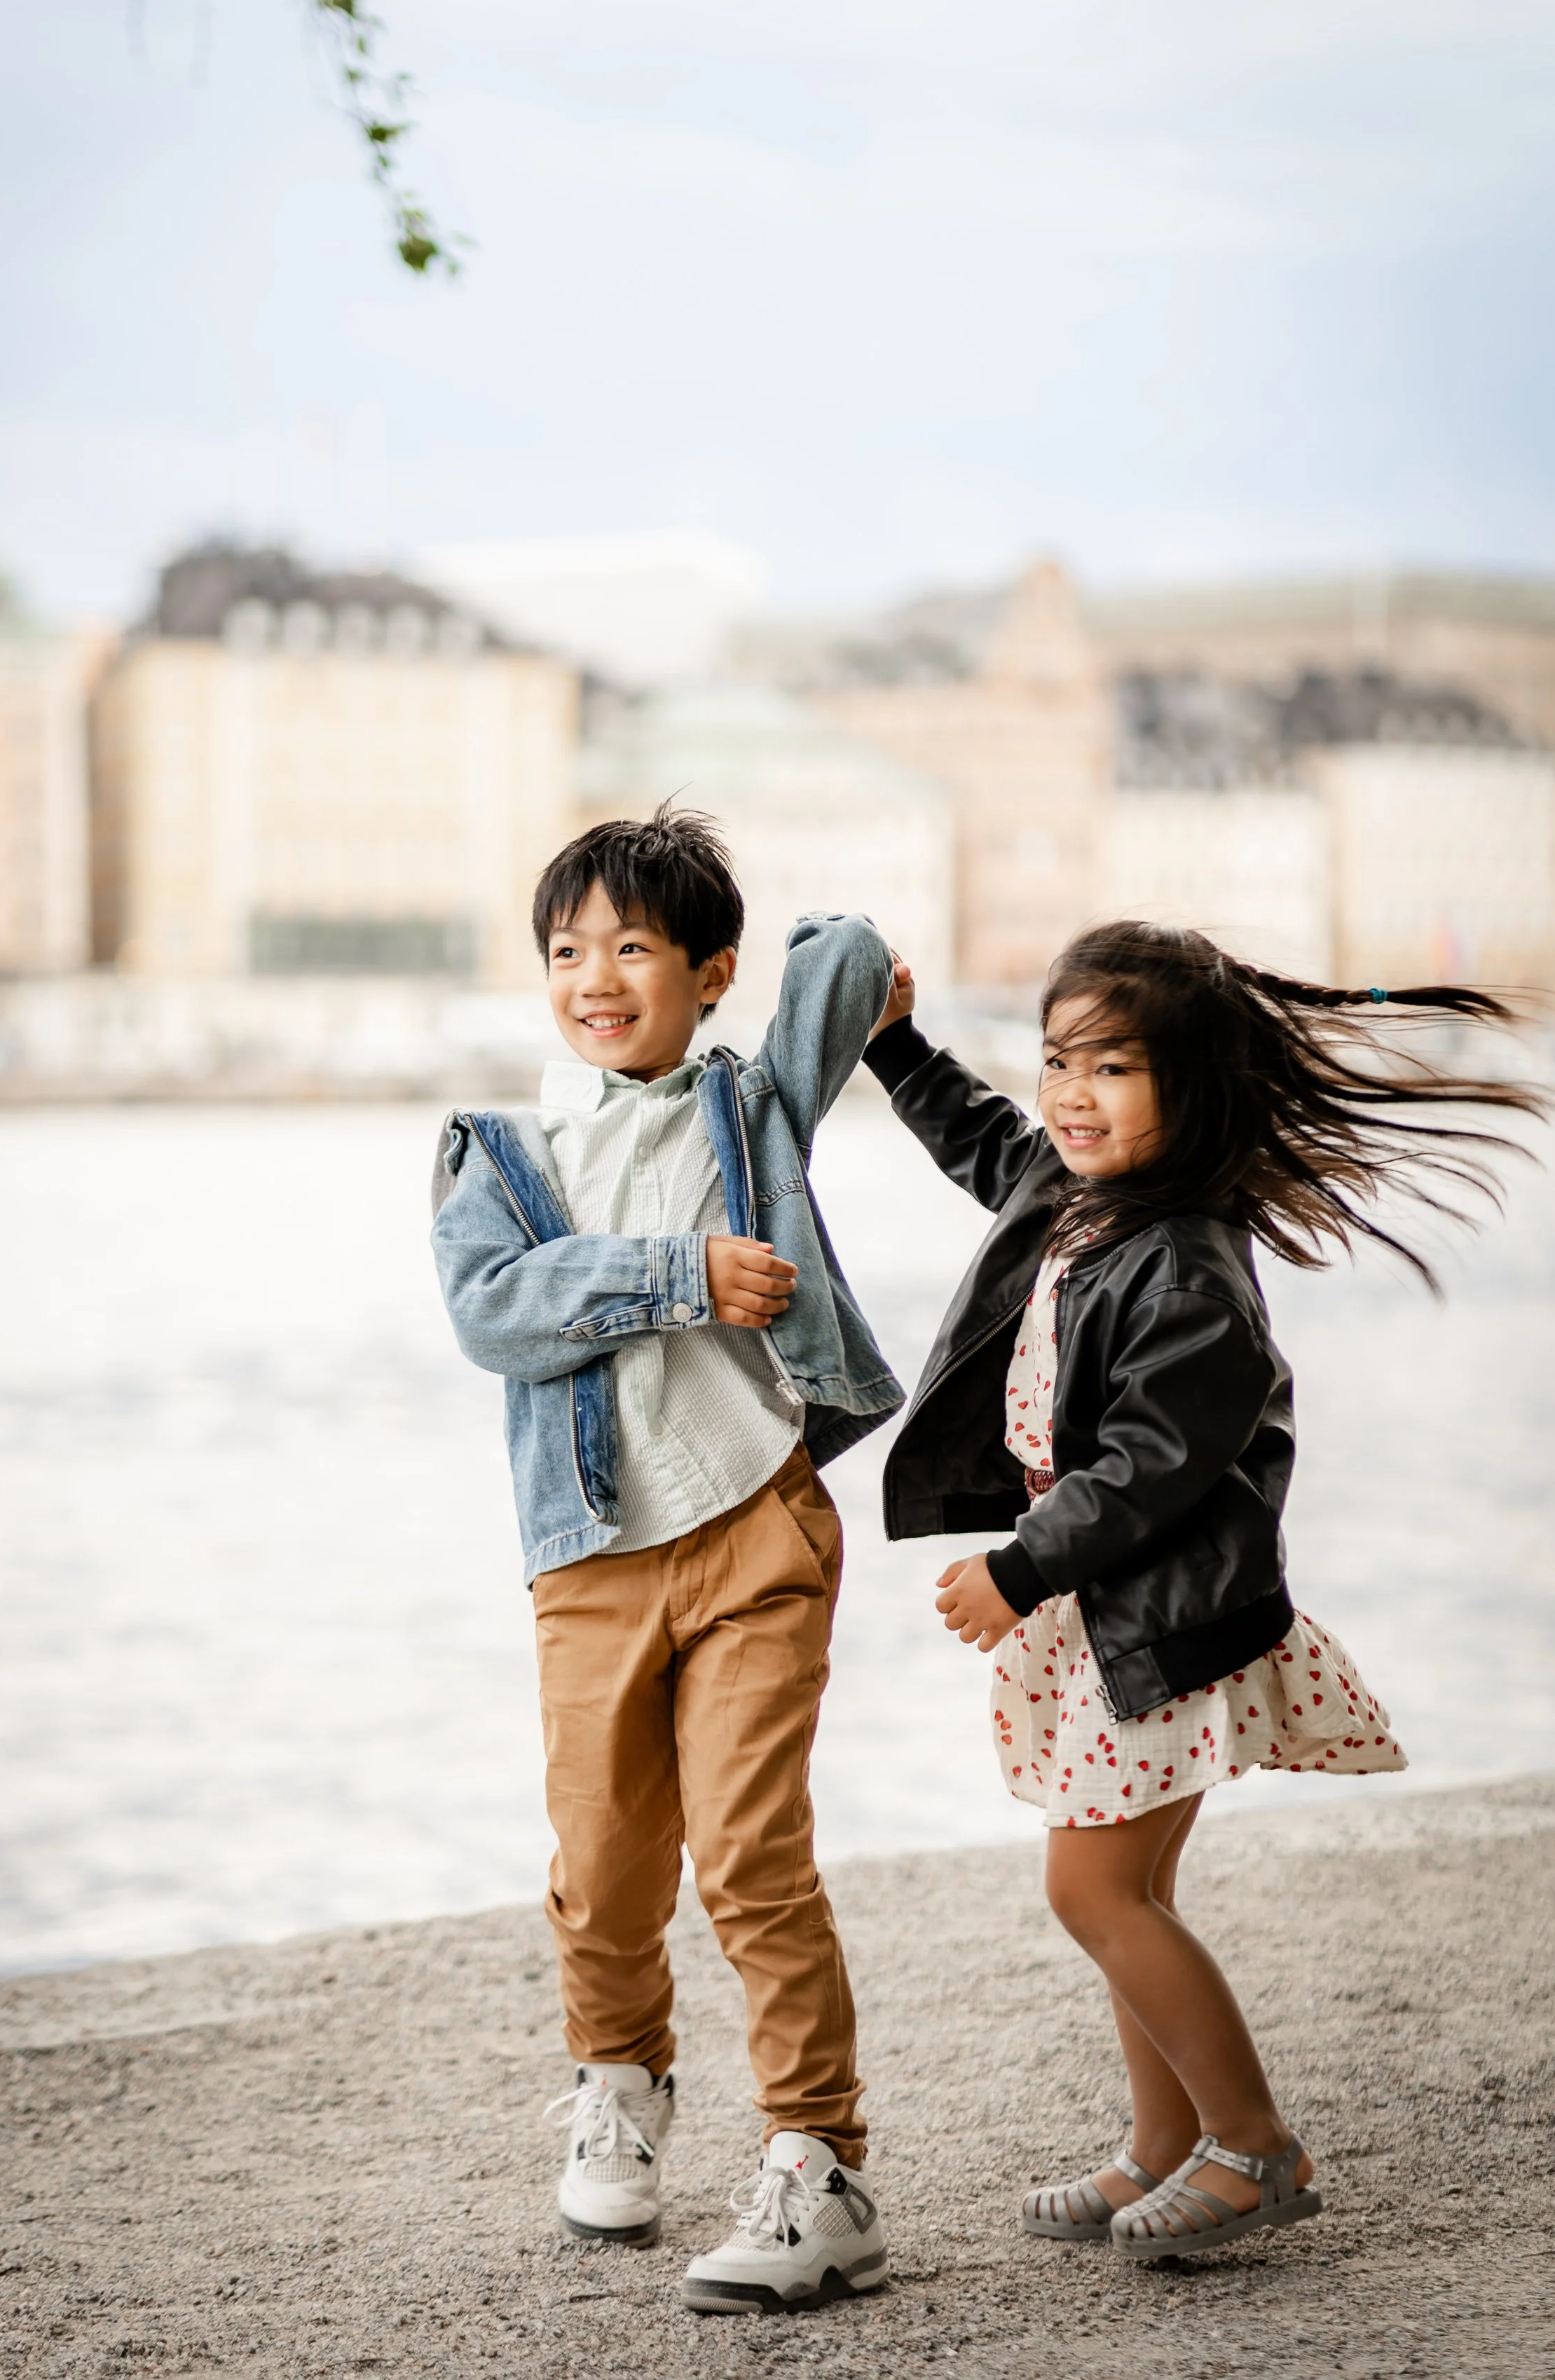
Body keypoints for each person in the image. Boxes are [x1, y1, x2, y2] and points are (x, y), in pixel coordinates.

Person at [863, 920, 1542, 2264]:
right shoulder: (1075, 1198)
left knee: (1095, 1894)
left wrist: (1017, 1566)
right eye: (1060, 1059)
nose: (1070, 1093)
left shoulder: (1189, 1266)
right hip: (1121, 1622)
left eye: (1111, 1066)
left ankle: (1253, 2142)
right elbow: (987, 1139)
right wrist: (894, 1047)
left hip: (1166, 1625)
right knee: (1137, 1898)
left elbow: (1152, 1466)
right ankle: (1163, 2149)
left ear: (1195, 1085)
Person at [431, 806, 905, 2313]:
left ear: (707, 973)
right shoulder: (498, 1151)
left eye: (632, 945)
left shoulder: (748, 1105)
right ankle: (622, 2087)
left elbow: (847, 951)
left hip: (757, 1523)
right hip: (588, 1557)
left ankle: (815, 2162)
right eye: (567, 949)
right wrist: (676, 1277)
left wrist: (860, 988)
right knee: (606, 1867)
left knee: (754, 1854)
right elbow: (494, 1313)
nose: (594, 975)